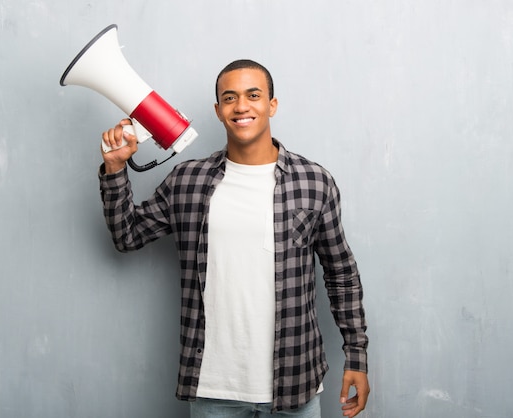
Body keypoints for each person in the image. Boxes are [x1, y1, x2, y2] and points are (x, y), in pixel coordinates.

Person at [98, 59, 369, 418]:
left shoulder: (314, 182)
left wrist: (357, 355)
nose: (241, 106)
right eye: (230, 98)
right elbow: (127, 235)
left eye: (253, 95)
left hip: (295, 384)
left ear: (272, 104)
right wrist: (115, 169)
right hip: (213, 391)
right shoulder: (187, 182)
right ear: (218, 110)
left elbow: (341, 274)